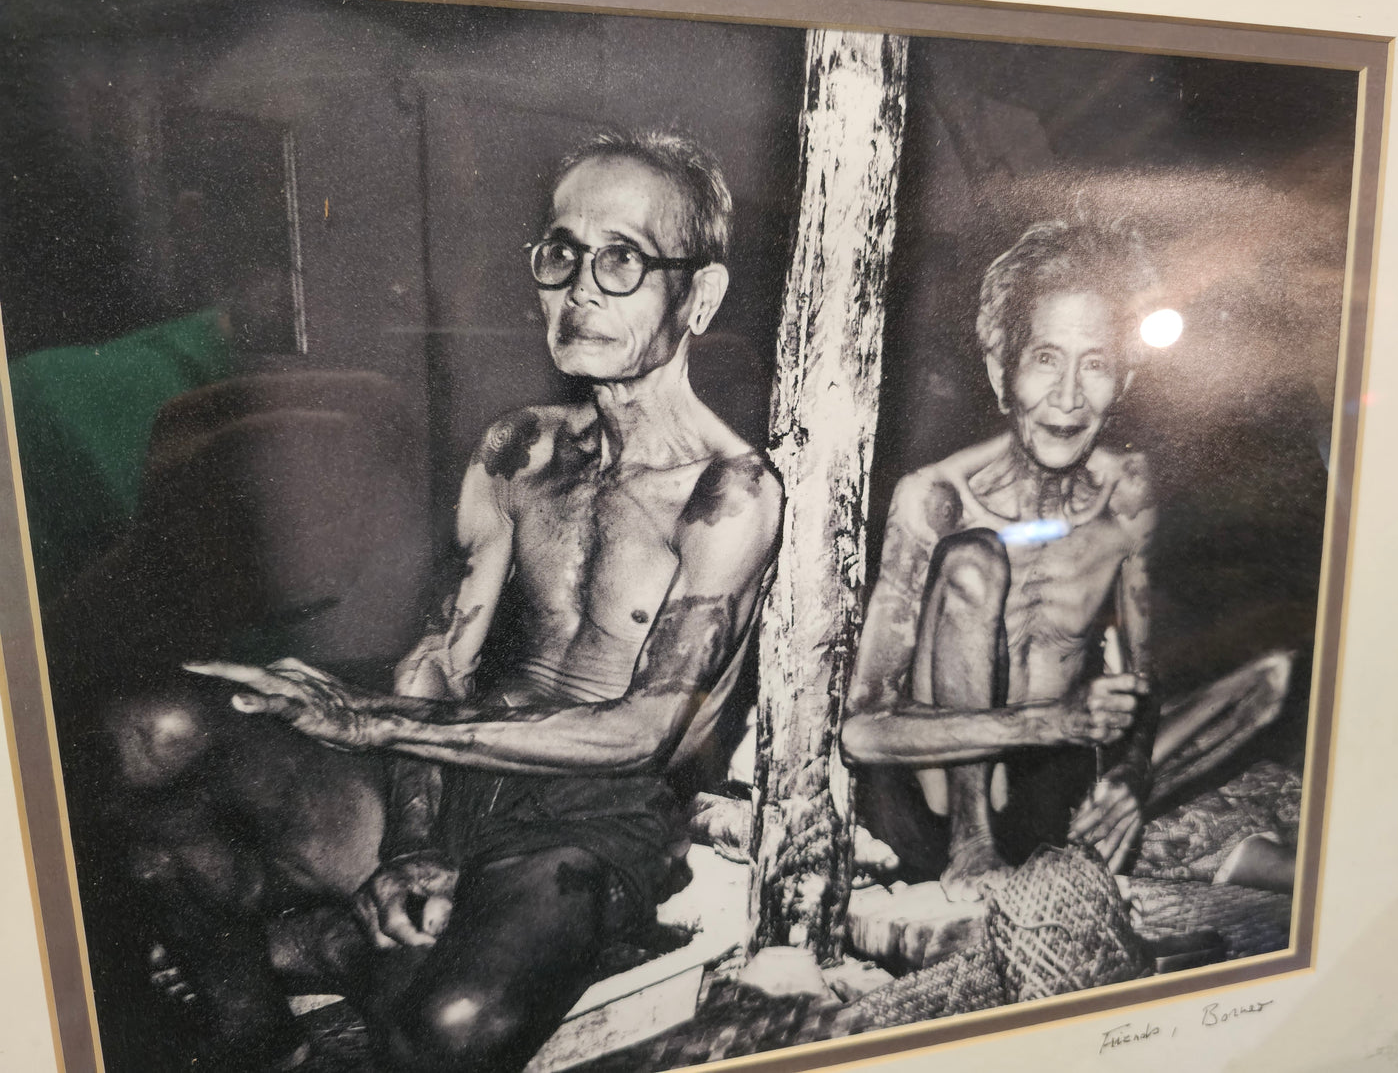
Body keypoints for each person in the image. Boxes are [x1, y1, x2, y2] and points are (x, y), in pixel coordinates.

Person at [110, 129, 782, 1072]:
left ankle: (324, 951)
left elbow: (644, 734)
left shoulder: (729, 494)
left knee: (450, 1030)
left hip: (588, 810)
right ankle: (260, 1029)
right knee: (150, 733)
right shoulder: (521, 448)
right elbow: (441, 659)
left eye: (623, 259)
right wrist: (413, 840)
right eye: (561, 253)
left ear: (698, 296)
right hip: (440, 770)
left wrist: (378, 728)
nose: (579, 288)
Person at [841, 220, 1157, 902]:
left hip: (1044, 813)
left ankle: (1010, 851)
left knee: (1260, 688)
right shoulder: (937, 499)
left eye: (1095, 364)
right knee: (975, 561)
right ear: (999, 368)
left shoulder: (1126, 498)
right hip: (921, 817)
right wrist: (1048, 721)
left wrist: (1131, 778)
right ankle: (970, 840)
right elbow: (861, 732)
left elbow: (1141, 683)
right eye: (1045, 357)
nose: (1068, 396)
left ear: (1123, 379)